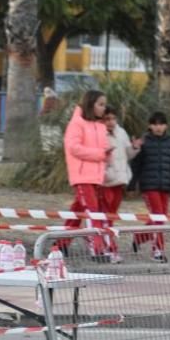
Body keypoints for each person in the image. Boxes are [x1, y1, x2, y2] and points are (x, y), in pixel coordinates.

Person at [61, 89, 112, 257]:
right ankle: (97, 249)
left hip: (97, 177)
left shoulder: (101, 125)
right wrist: (100, 154)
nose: (103, 108)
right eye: (100, 104)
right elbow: (73, 148)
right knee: (93, 211)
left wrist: (106, 155)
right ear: (91, 104)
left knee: (77, 211)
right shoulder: (77, 123)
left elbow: (102, 150)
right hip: (82, 176)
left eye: (104, 105)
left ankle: (61, 243)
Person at [131, 111, 170, 263]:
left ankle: (139, 236)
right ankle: (157, 251)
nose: (158, 127)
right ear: (150, 126)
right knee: (158, 218)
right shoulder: (144, 141)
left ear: (166, 125)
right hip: (149, 186)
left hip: (165, 187)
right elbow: (136, 164)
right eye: (155, 124)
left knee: (160, 218)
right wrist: (132, 184)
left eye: (161, 124)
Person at [100, 105, 139, 263]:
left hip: (120, 180)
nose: (110, 122)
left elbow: (128, 154)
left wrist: (135, 147)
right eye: (107, 119)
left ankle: (106, 246)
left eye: (113, 118)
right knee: (105, 218)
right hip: (105, 182)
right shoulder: (98, 133)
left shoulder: (121, 132)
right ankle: (110, 250)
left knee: (111, 218)